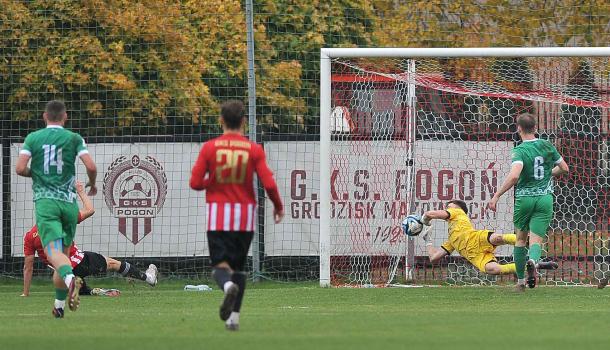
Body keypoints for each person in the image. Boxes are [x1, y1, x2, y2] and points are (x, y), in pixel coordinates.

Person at [190, 100, 284, 331]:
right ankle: (233, 320)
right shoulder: (253, 149)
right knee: (239, 268)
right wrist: (278, 206)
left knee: (221, 268)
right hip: (245, 217)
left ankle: (227, 287)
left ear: (221, 120)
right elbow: (269, 183)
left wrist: (211, 181)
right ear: (244, 122)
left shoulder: (210, 148)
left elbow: (194, 183)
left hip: (218, 215)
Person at [15, 100, 98, 318]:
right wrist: (92, 183)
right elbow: (91, 166)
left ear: (44, 116)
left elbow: (20, 168)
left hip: (47, 204)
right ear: (65, 117)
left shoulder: (33, 138)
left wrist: (37, 174)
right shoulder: (74, 138)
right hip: (69, 205)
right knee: (63, 257)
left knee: (54, 255)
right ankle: (59, 307)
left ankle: (72, 281)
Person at [21, 181, 158, 298]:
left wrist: (25, 293)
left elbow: (28, 267)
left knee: (77, 286)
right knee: (112, 263)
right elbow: (90, 210)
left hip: (62, 274)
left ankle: (92, 291)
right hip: (79, 262)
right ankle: (149, 279)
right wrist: (80, 191)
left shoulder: (30, 236)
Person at [489, 113, 569, 292]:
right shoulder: (547, 145)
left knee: (520, 239)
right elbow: (564, 168)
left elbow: (515, 175)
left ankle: (520, 282)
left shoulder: (519, 150)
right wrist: (549, 173)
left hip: (525, 199)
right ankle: (533, 261)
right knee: (536, 241)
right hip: (545, 199)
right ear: (535, 128)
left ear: (519, 128)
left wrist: (497, 195)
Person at [416, 200, 519, 275]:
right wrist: (428, 241)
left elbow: (430, 214)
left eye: (449, 206)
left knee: (497, 238)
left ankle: (525, 240)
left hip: (476, 239)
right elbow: (433, 258)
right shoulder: (452, 240)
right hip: (476, 256)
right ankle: (525, 267)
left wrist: (424, 220)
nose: (446, 208)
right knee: (493, 269)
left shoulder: (458, 213)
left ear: (458, 208)